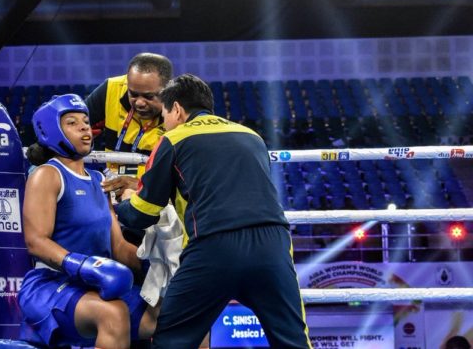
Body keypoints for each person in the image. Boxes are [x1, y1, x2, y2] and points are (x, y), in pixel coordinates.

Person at [115, 74, 312, 348]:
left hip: (214, 248)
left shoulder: (173, 139)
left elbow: (144, 211)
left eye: (165, 115)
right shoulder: (251, 136)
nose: (164, 123)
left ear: (177, 110)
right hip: (273, 246)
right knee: (293, 342)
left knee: (172, 340)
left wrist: (119, 204)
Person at [17, 94, 158, 349]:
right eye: (72, 122)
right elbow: (35, 242)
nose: (84, 126)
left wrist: (158, 262)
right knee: (112, 313)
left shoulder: (97, 180)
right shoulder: (47, 175)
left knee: (179, 313)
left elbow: (119, 249)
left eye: (85, 120)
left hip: (99, 283)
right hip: (51, 284)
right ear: (51, 131)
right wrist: (82, 265)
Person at [85, 52, 173, 197]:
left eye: (148, 96)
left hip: (153, 199)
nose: (139, 102)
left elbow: (184, 178)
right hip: (107, 188)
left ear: (168, 90)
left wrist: (139, 184)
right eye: (133, 94)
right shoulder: (111, 89)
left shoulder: (180, 111)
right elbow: (72, 124)